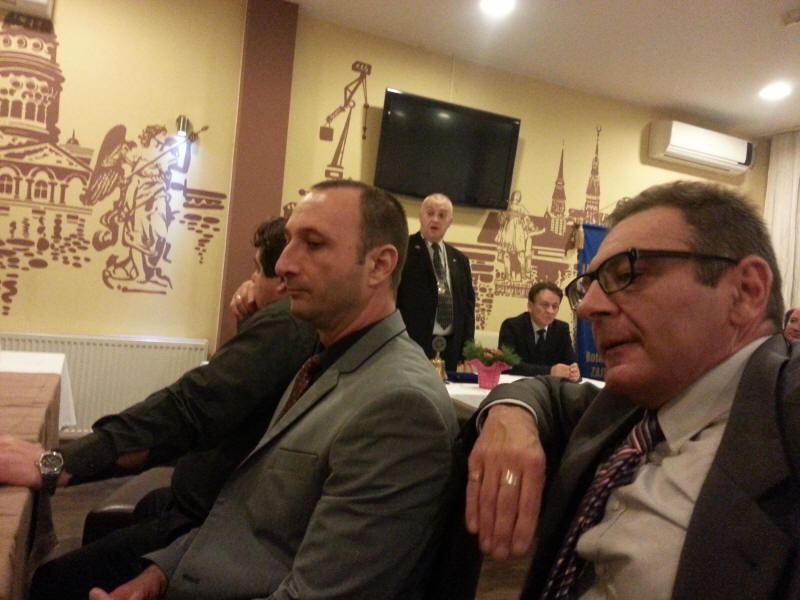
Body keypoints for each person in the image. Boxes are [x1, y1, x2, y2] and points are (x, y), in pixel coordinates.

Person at [89, 180, 459, 600]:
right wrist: (160, 573)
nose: (283, 264)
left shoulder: (400, 406)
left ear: (379, 265)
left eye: (313, 244)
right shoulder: (323, 362)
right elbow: (247, 511)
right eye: (288, 242)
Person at [465, 180, 800, 599]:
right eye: (587, 288)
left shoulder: (785, 418)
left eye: (627, 275)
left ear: (746, 291)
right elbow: (548, 394)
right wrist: (511, 416)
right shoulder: (634, 402)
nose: (588, 308)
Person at [0, 217, 318, 600]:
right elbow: (233, 400)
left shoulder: (287, 323)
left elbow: (188, 408)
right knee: (141, 511)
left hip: (209, 520)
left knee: (53, 581)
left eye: (255, 269)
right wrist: (250, 321)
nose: (250, 280)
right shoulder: (288, 323)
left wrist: (56, 464)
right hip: (199, 500)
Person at [397, 192, 476, 370]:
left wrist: (468, 351)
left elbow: (467, 308)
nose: (435, 219)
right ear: (420, 216)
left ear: (450, 222)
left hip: (450, 348)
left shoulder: (460, 260)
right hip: (410, 344)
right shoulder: (403, 250)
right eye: (430, 213)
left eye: (442, 215)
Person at [498, 281, 580, 379]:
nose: (550, 311)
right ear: (530, 306)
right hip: (518, 384)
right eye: (545, 305)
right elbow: (507, 365)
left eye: (555, 306)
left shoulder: (561, 329)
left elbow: (569, 363)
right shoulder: (512, 326)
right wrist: (549, 371)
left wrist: (573, 372)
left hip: (550, 387)